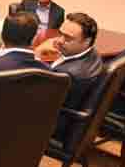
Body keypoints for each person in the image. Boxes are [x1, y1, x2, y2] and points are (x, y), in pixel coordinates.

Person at [35, 12, 103, 141]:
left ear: (87, 41)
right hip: (69, 115)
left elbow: (37, 97)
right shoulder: (93, 54)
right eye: (60, 34)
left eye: (68, 38)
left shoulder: (67, 75)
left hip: (52, 126)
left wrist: (37, 54)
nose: (59, 40)